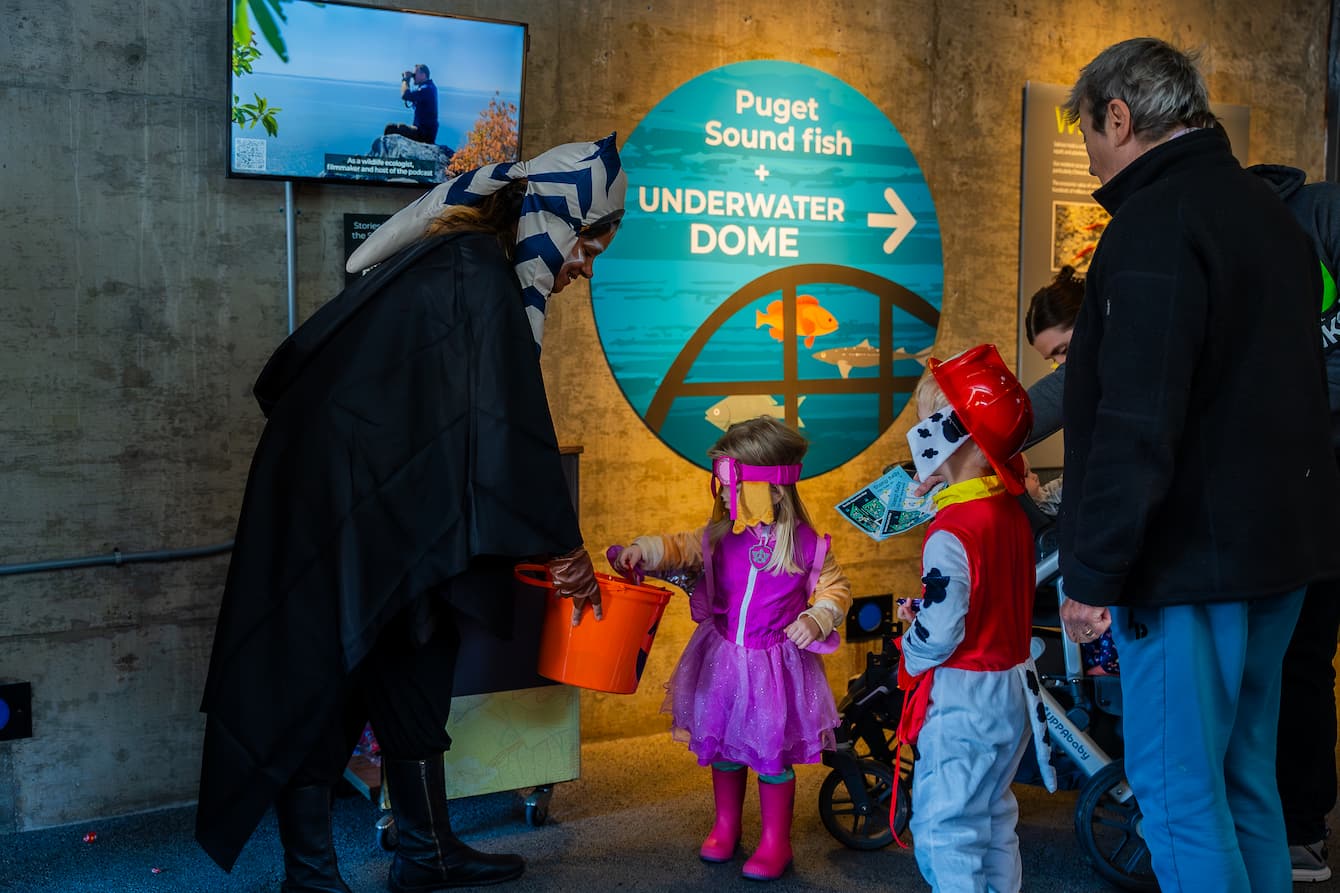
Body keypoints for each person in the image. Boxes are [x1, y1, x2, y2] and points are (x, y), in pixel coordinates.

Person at [195, 135, 628, 893]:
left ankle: (425, 851)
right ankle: (313, 875)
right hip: (342, 513)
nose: (583, 266)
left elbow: (467, 423)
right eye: (587, 242)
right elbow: (507, 427)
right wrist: (565, 547)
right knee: (325, 679)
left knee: (417, 658)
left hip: (390, 513)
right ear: (555, 218)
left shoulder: (457, 266)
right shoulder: (474, 276)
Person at [1057, 37, 1340, 893]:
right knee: (1245, 782)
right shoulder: (1267, 214)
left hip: (1189, 568)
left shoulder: (1155, 222)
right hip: (1279, 561)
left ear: (1120, 115)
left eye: (1092, 140)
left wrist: (1093, 571)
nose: (1095, 162)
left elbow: (1137, 418)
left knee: (1178, 799)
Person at [608, 415, 852, 882]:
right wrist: (643, 549)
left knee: (770, 754)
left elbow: (835, 589)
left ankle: (775, 842)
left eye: (731, 486)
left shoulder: (807, 546)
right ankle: (726, 826)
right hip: (722, 661)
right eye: (720, 485)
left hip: (773, 670)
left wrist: (817, 616)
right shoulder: (721, 537)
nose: (722, 495)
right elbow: (678, 547)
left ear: (774, 490)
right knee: (723, 745)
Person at [893, 344, 1054, 893]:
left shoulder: (952, 531)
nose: (914, 442)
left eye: (921, 426)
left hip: (966, 698)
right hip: (1012, 685)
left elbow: (939, 634)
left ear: (949, 433)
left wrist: (911, 647)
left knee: (944, 824)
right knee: (992, 815)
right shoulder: (1008, 512)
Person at [1249, 160, 1340, 883]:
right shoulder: (1229, 229)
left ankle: (1302, 828)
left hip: (1315, 484)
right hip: (1278, 484)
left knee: (1300, 656)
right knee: (1289, 659)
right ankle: (1288, 824)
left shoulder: (1318, 217)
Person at [384, 63, 439, 144]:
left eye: (415, 74)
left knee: (390, 128)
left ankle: (386, 155)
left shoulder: (427, 89)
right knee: (399, 127)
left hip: (423, 134)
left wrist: (405, 79)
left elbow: (405, 95)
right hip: (424, 132)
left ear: (423, 75)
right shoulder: (429, 87)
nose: (413, 77)